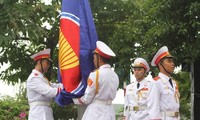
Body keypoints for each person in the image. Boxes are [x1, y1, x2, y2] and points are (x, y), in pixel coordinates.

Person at [73, 41, 119, 120]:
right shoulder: (115, 75)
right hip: (109, 112)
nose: (93, 61)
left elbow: (87, 98)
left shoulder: (95, 74)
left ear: (99, 59)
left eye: (94, 58)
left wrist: (73, 99)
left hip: (96, 113)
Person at [26, 48, 63, 120]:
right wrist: (64, 90)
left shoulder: (41, 78)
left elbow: (53, 85)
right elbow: (49, 91)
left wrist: (67, 86)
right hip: (39, 112)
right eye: (47, 63)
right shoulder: (34, 78)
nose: (49, 65)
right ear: (40, 62)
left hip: (45, 110)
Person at [151, 46, 180, 120]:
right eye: (169, 61)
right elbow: (153, 108)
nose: (173, 64)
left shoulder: (174, 83)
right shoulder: (156, 83)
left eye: (172, 61)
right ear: (160, 65)